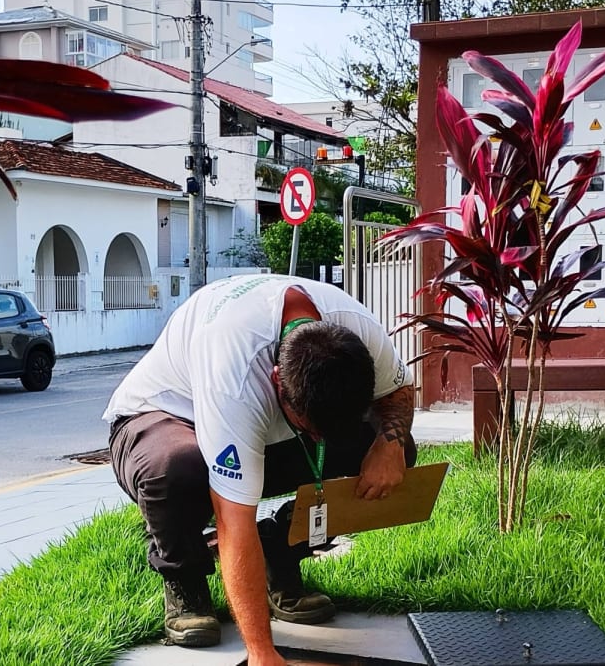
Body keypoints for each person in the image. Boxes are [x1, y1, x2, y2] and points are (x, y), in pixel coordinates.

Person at [104, 273, 417, 666]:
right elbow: (234, 521)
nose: (320, 443)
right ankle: (185, 580)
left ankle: (280, 551)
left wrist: (390, 446)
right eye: (310, 430)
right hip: (162, 417)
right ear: (276, 383)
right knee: (178, 469)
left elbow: (400, 390)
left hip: (264, 422)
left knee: (391, 451)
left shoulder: (358, 332)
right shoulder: (233, 374)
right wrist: (261, 652)